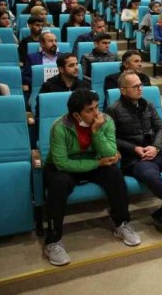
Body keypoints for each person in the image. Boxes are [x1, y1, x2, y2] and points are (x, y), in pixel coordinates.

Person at [43, 90, 141, 266]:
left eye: (97, 107)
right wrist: (96, 164)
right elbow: (62, 163)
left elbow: (111, 153)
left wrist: (96, 132)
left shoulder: (106, 120)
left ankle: (122, 224)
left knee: (114, 174)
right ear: (76, 114)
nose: (97, 113)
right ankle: (53, 241)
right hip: (66, 167)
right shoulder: (59, 127)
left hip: (95, 162)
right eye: (90, 110)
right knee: (57, 183)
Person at [105, 72, 162, 234]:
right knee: (151, 176)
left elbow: (161, 127)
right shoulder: (113, 110)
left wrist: (155, 147)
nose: (140, 88)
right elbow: (111, 138)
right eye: (135, 86)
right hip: (136, 158)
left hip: (157, 152)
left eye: (140, 85)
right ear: (123, 90)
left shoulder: (147, 104)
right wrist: (134, 149)